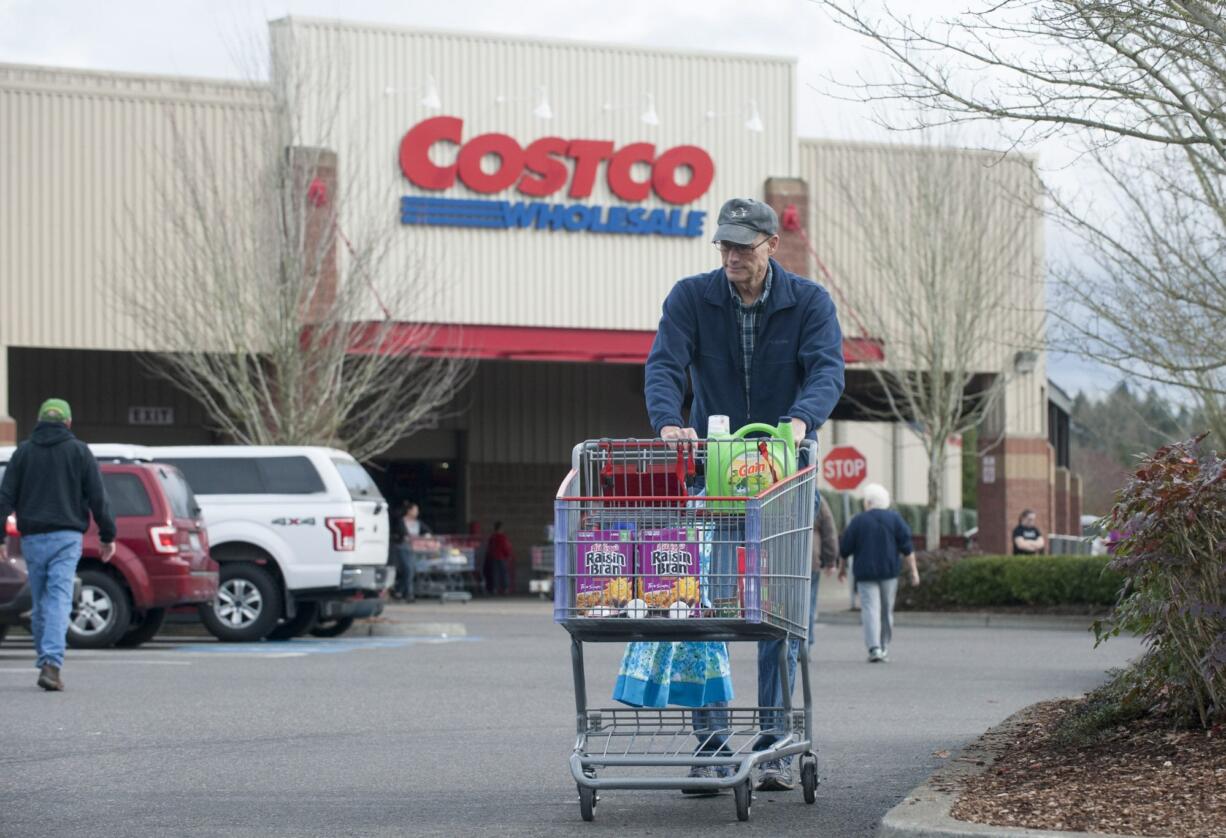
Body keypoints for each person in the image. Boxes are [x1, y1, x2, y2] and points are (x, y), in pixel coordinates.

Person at [639, 196, 846, 793]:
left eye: (742, 246)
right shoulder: (690, 297)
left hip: (781, 474)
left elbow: (827, 370)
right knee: (708, 611)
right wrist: (669, 424)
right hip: (716, 475)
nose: (731, 256)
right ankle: (709, 746)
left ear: (771, 245)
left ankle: (773, 744)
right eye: (724, 246)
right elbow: (664, 366)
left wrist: (803, 421)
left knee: (777, 616)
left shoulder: (808, 302)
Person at [0, 399, 116, 691]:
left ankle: (45, 659)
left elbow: (5, 498)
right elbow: (98, 498)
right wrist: (107, 536)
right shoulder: (79, 451)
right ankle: (51, 663)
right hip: (67, 538)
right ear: (68, 423)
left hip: (33, 538)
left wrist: (1, 537)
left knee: (41, 602)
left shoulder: (23, 452)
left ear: (39, 421)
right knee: (60, 599)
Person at [837, 483, 918, 663]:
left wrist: (842, 569)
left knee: (870, 609)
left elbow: (845, 548)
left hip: (865, 573)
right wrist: (914, 572)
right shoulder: (895, 519)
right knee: (886, 610)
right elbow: (907, 548)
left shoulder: (858, 521)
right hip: (889, 573)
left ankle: (874, 647)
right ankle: (884, 645)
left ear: (869, 502)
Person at [810, 494, 840, 646]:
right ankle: (805, 643)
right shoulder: (817, 498)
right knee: (808, 603)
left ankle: (788, 643)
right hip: (811, 559)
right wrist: (830, 560)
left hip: (782, 559)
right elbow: (829, 531)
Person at [485, 521, 513, 595]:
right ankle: (505, 588)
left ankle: (494, 588)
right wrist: (508, 555)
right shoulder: (503, 537)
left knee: (495, 573)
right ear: (501, 528)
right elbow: (505, 547)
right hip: (502, 557)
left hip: (493, 557)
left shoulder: (492, 537)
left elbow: (489, 548)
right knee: (504, 573)